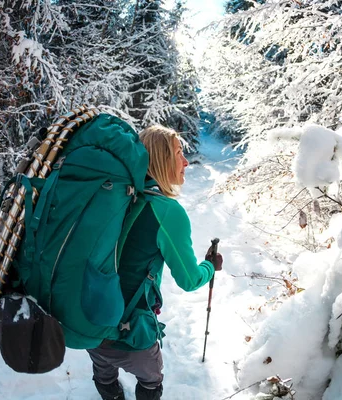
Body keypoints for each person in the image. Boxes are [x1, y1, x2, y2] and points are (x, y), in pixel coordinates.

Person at [86, 125, 224, 400]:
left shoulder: (115, 196)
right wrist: (210, 267)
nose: (185, 161)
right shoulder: (167, 211)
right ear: (161, 160)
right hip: (131, 332)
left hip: (90, 319)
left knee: (103, 369)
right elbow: (189, 280)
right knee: (151, 379)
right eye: (178, 153)